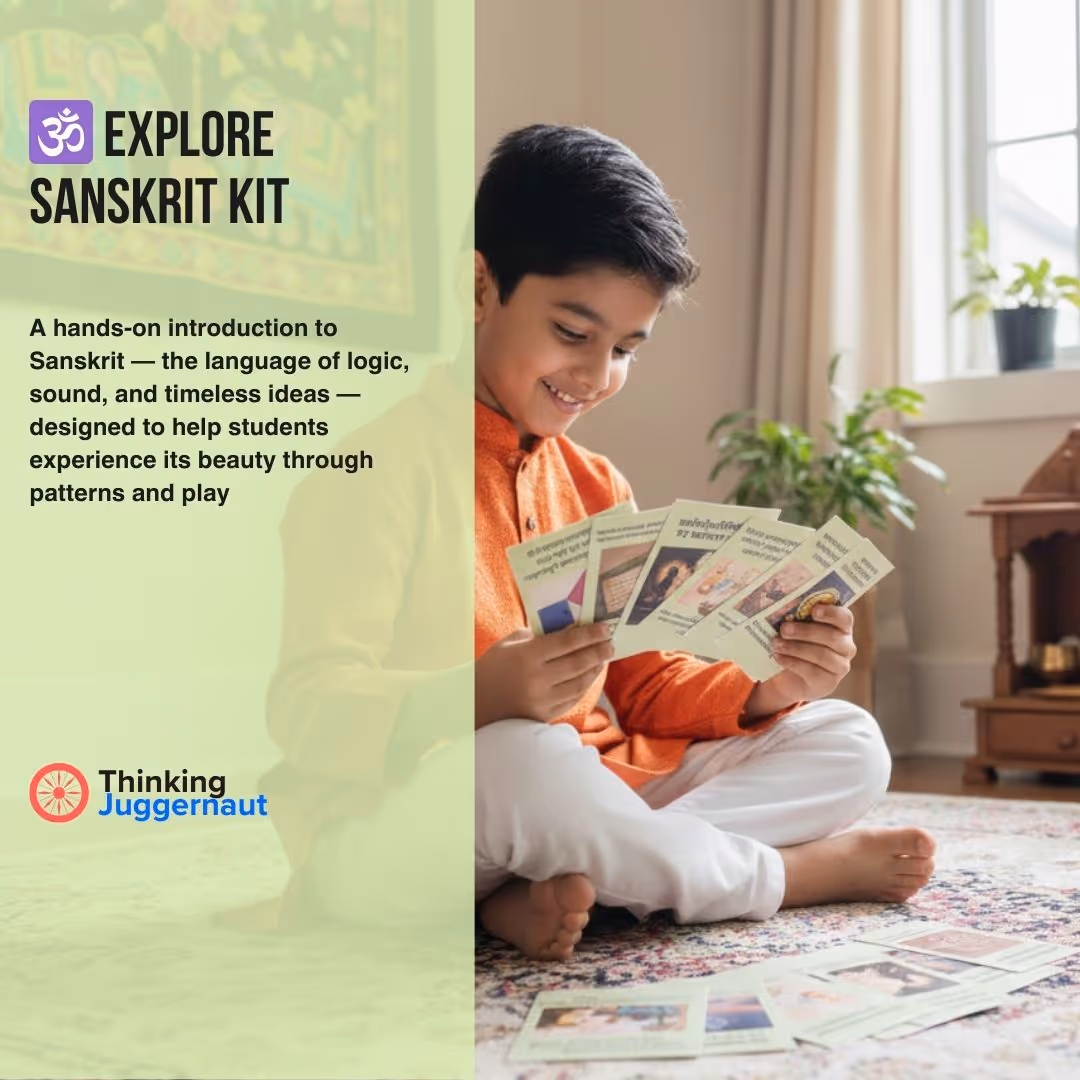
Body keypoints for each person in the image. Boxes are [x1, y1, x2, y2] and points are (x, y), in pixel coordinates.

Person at [471, 124, 936, 962]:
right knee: (522, 760)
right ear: (479, 287)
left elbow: (646, 684)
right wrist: (476, 695)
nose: (596, 376)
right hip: (447, 809)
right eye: (573, 333)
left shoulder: (596, 485)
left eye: (625, 350)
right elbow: (311, 715)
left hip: (596, 796)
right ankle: (778, 876)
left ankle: (569, 884)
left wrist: (768, 687)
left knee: (847, 740)